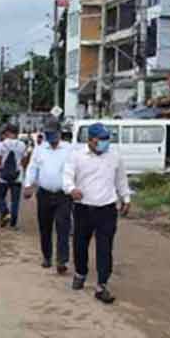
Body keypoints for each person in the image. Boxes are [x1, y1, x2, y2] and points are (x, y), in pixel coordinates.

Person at [63, 122, 131, 304]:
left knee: (105, 247)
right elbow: (67, 176)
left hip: (107, 209)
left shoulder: (115, 157)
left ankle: (102, 285)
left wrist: (126, 198)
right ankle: (80, 273)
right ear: (90, 140)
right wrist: (71, 189)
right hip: (83, 208)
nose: (104, 143)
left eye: (106, 139)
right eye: (100, 139)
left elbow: (121, 180)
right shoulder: (77, 157)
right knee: (80, 244)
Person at [24, 118, 74, 274]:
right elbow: (32, 168)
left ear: (59, 133)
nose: (49, 136)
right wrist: (28, 185)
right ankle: (47, 256)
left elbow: (77, 169)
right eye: (47, 133)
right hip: (44, 194)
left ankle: (62, 260)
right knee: (45, 227)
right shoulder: (40, 149)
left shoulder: (70, 149)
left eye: (52, 133)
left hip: (63, 195)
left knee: (63, 227)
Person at [0, 123, 28, 228]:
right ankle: (13, 223)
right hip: (17, 176)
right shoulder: (22, 145)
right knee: (15, 201)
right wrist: (22, 171)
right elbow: (24, 161)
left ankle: (5, 212)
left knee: (0, 196)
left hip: (4, 176)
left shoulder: (2, 144)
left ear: (8, 132)